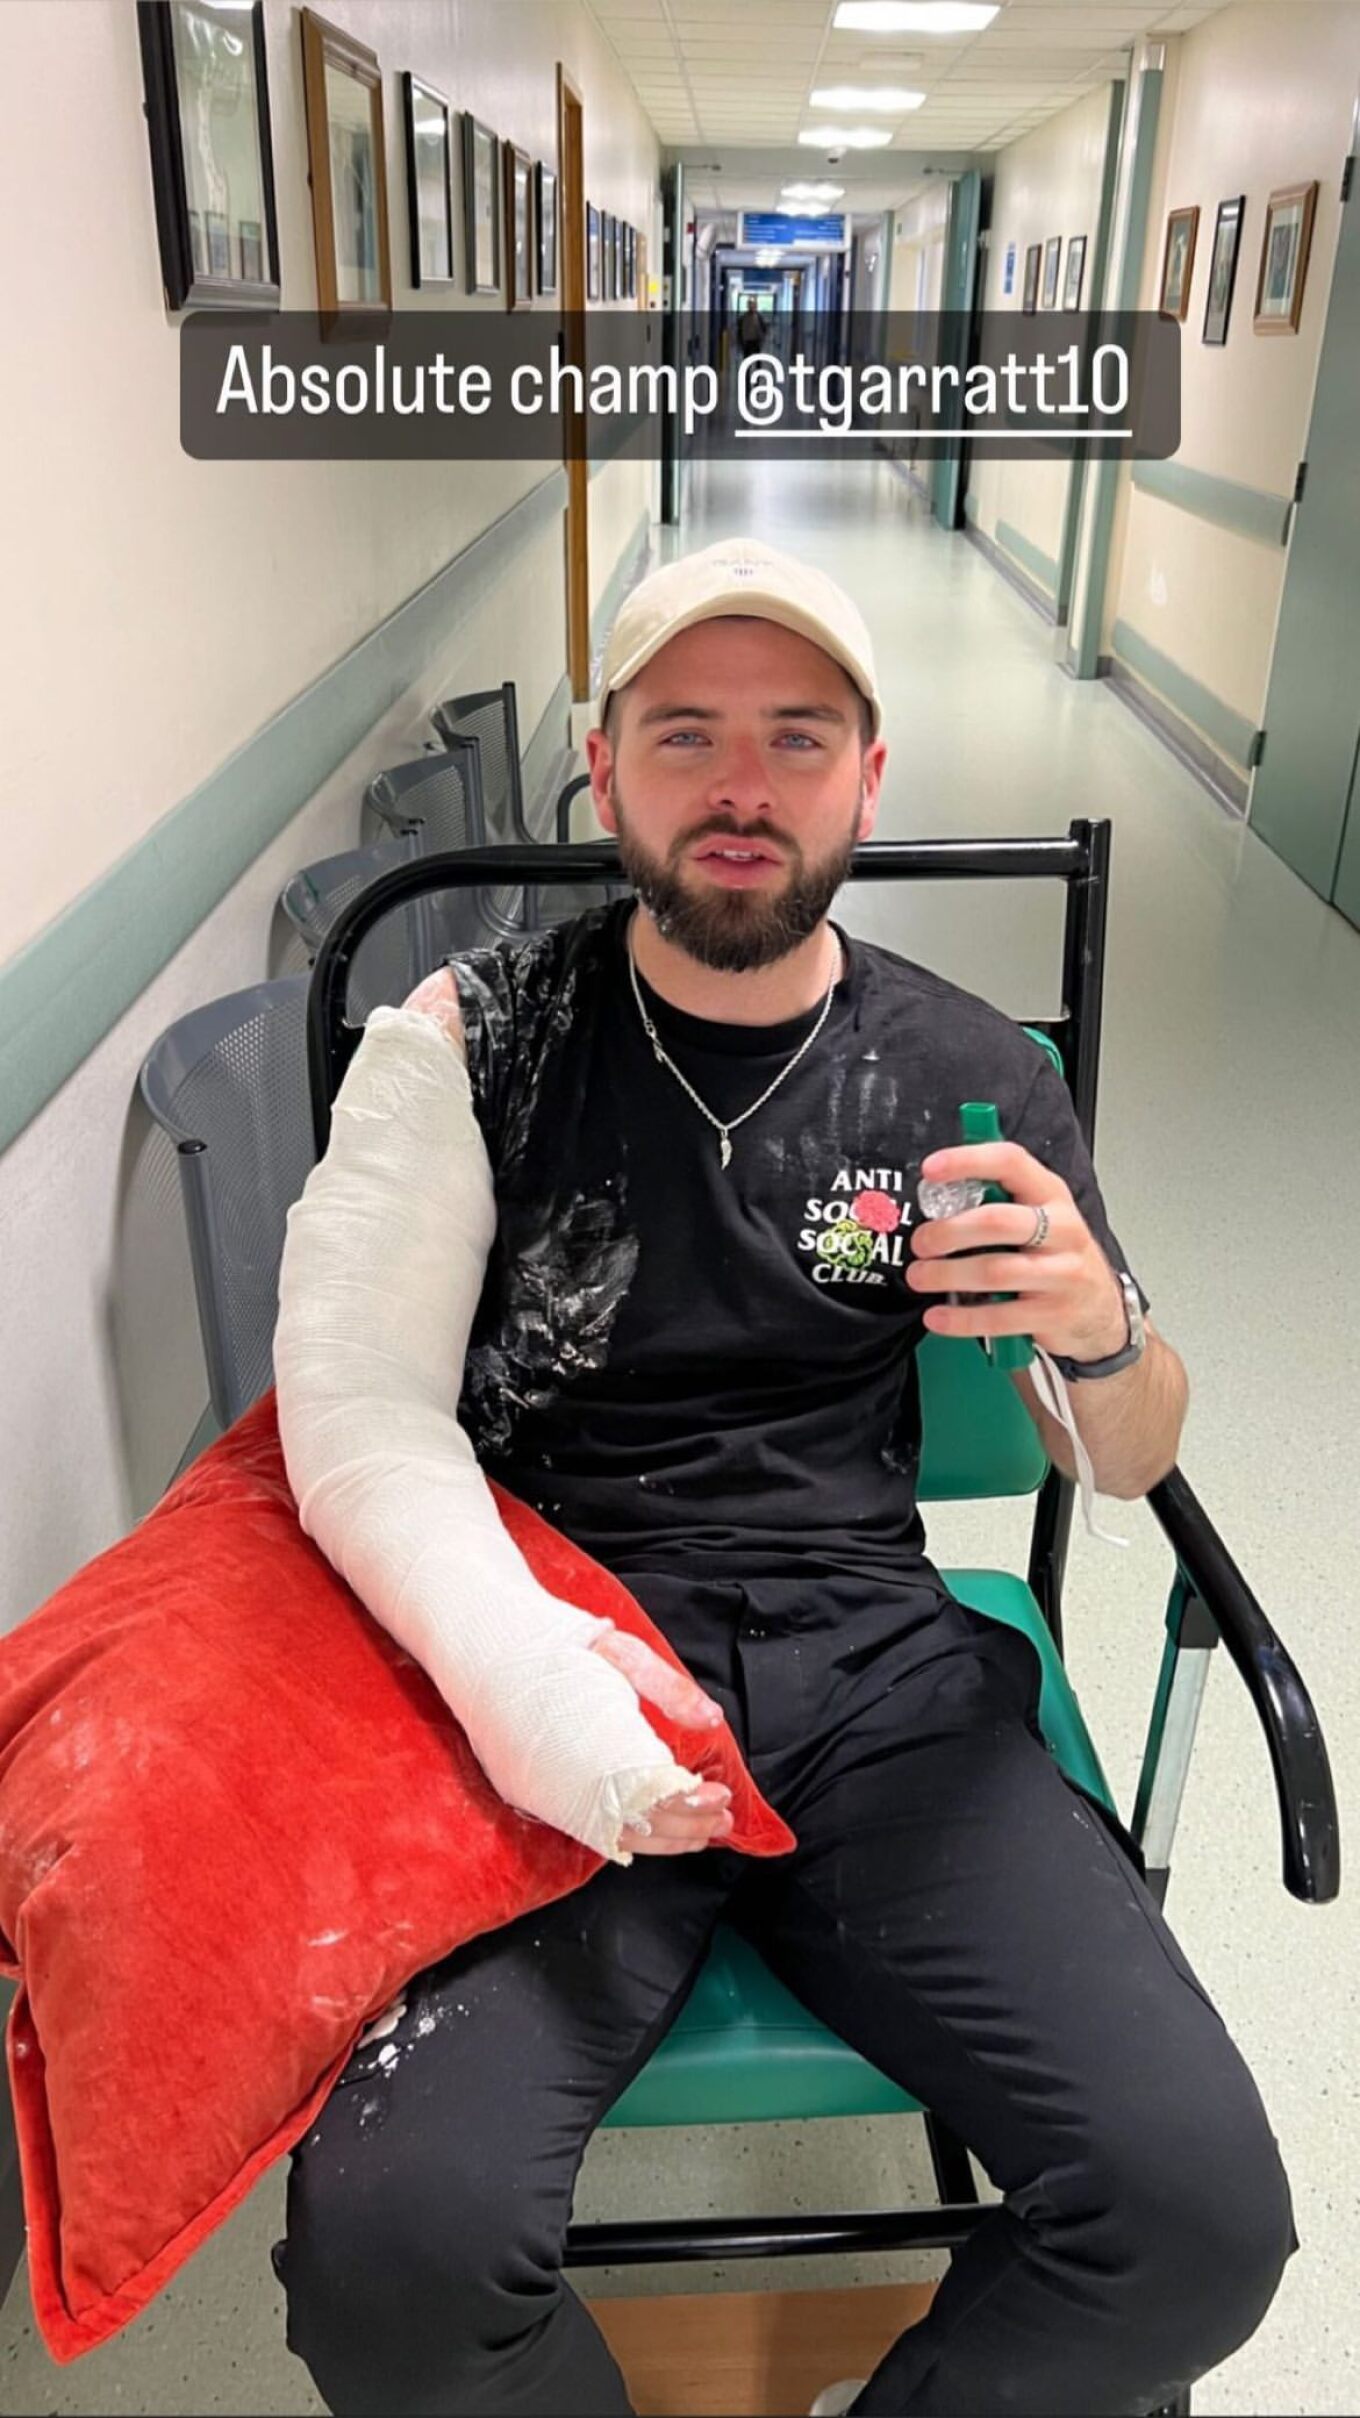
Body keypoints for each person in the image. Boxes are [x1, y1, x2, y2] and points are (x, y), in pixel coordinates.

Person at [275, 541, 1294, 2418]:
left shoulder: (968, 1077)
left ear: (868, 776)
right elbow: (359, 1421)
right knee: (391, 2257)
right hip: (556, 1663)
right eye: (687, 734)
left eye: (798, 737)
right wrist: (535, 1689)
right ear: (604, 766)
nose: (742, 785)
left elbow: (1132, 1452)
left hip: (876, 1673)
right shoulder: (478, 1043)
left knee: (1199, 2216)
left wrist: (1098, 1334)